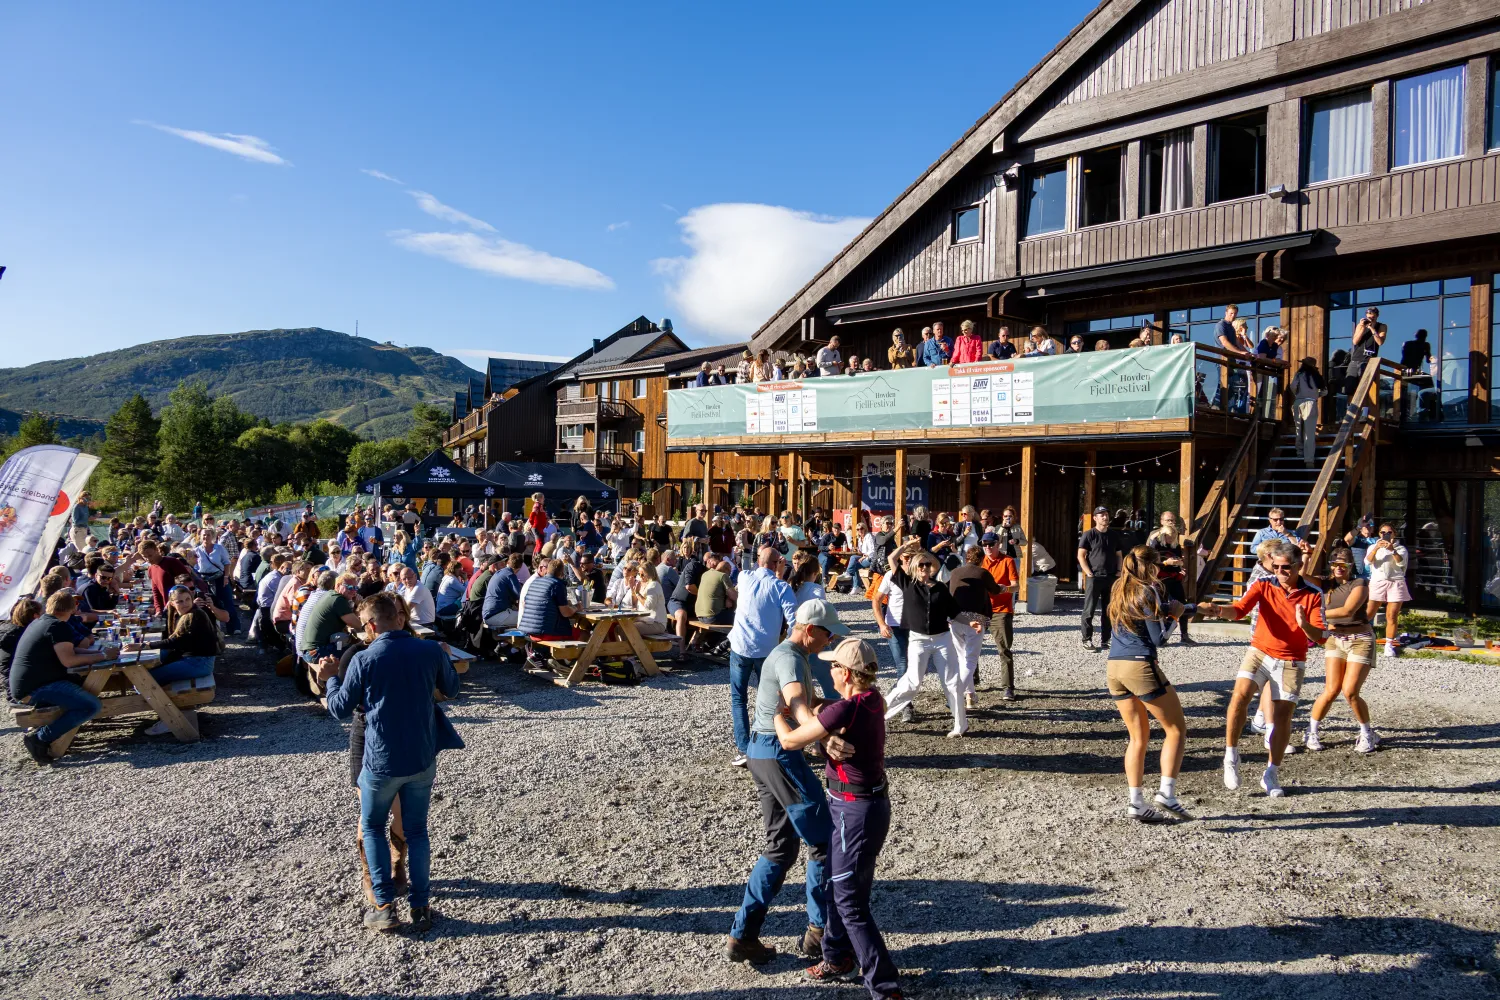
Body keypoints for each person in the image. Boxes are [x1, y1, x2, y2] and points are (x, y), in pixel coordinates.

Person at [319, 591, 461, 933]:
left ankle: (383, 905)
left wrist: (331, 678)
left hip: (381, 759)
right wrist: (445, 659)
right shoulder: (429, 650)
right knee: (416, 830)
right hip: (421, 755)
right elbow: (452, 690)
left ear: (369, 625)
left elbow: (339, 708)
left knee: (372, 827)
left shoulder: (364, 659)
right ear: (398, 617)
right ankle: (421, 905)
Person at [773, 638, 903, 997]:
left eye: (832, 666)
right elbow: (828, 711)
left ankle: (884, 986)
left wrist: (775, 715)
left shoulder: (845, 711)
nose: (826, 670)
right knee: (837, 882)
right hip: (864, 808)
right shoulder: (871, 699)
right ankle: (837, 956)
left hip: (854, 812)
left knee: (850, 901)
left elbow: (789, 741)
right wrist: (823, 733)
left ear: (845, 673)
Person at [726, 599, 848, 966]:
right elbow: (796, 703)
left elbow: (802, 700)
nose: (829, 642)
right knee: (824, 840)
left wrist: (840, 707)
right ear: (810, 629)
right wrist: (822, 734)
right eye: (827, 635)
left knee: (779, 847)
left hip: (759, 753)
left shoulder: (788, 655)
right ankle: (819, 932)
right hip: (778, 753)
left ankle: (742, 935)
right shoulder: (791, 658)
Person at [1199, 540, 1327, 797]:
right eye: (1276, 567)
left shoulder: (1313, 593)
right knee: (1239, 697)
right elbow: (1238, 610)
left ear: (1299, 566)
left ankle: (1271, 772)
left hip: (1292, 658)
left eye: (1286, 567)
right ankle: (1231, 756)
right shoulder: (1264, 584)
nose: (1280, 572)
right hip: (1259, 651)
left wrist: (1304, 624)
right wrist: (1216, 610)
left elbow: (1321, 637)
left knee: (1282, 718)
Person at [1105, 546, 1191, 822]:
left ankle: (1136, 802)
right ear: (1153, 567)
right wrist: (1175, 616)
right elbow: (1159, 638)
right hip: (1139, 664)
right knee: (1176, 729)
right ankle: (1167, 792)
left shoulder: (1119, 587)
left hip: (1114, 666)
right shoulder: (1148, 590)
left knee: (1137, 737)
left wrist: (1165, 611)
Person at [881, 537, 980, 738]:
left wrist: (970, 622)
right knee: (912, 682)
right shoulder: (906, 583)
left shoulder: (941, 587)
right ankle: (880, 715)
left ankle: (961, 725)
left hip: (943, 639)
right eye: (921, 565)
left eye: (928, 564)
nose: (925, 568)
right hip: (918, 640)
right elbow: (892, 558)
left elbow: (954, 612)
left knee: (952, 682)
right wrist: (906, 547)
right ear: (915, 568)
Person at [11, 591, 118, 764]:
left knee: (86, 687)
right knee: (91, 706)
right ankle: (39, 738)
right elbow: (69, 660)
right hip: (36, 689)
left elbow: (69, 650)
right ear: (74, 609)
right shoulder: (58, 626)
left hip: (27, 685)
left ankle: (46, 736)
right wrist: (104, 656)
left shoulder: (41, 622)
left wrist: (99, 652)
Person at [726, 546, 800, 766]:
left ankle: (744, 748)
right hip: (766, 650)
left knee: (739, 699)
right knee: (769, 699)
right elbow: (794, 620)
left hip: (740, 645)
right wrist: (788, 646)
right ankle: (769, 744)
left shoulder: (745, 576)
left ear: (759, 560)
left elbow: (748, 567)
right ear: (779, 563)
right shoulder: (781, 587)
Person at [1303, 550, 1382, 753]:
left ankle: (1367, 733)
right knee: (1330, 690)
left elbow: (1348, 611)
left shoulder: (1360, 584)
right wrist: (1305, 556)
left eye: (1343, 564)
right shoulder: (1325, 584)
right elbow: (1302, 576)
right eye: (1335, 564)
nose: (1339, 568)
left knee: (1350, 691)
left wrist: (1315, 615)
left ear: (1350, 566)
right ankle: (1312, 730)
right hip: (1335, 639)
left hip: (1360, 640)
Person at [127, 584, 223, 735]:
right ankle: (170, 712)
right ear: (172, 603)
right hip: (196, 660)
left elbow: (175, 642)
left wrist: (143, 645)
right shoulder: (184, 615)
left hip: (199, 663)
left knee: (145, 681)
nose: (184, 604)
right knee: (147, 676)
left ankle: (170, 718)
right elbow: (175, 643)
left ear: (192, 600)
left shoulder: (194, 616)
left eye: (187, 600)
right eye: (179, 601)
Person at [947, 546, 1002, 711]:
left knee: (962, 658)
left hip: (955, 618)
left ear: (966, 558)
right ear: (981, 560)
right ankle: (955, 694)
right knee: (970, 660)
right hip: (976, 619)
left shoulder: (955, 572)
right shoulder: (983, 573)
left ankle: (970, 695)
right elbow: (996, 590)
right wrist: (1006, 588)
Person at [979, 532, 1020, 700]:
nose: (987, 547)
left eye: (990, 544)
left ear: (998, 544)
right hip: (981, 609)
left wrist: (1006, 588)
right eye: (984, 544)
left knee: (1003, 649)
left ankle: (1008, 687)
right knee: (971, 647)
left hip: (1001, 610)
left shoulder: (1008, 561)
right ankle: (972, 681)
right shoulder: (980, 561)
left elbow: (1016, 586)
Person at [1078, 507, 1122, 651]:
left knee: (1109, 610)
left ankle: (1106, 640)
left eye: (1106, 514)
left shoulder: (1114, 535)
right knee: (1089, 610)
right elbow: (1081, 555)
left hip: (1111, 577)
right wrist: (1088, 573)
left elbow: (1119, 555)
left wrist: (1119, 571)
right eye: (1101, 515)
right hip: (1094, 577)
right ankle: (1087, 639)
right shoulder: (1089, 535)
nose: (1105, 517)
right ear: (1095, 518)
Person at [1146, 513, 1194, 644]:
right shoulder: (1154, 539)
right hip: (1160, 578)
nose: (1171, 522)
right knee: (1160, 607)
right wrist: (1166, 563)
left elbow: (1179, 558)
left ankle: (1184, 634)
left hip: (1174, 577)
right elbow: (1150, 562)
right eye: (1168, 520)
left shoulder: (1175, 543)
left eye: (1173, 520)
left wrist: (1180, 567)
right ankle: (1160, 634)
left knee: (1181, 603)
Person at [1365, 522, 1410, 658]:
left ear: (1394, 534)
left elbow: (1401, 562)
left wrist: (1392, 550)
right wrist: (1376, 549)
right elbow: (1367, 562)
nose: (1386, 535)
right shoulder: (1373, 546)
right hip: (1378, 581)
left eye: (1389, 532)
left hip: (1395, 582)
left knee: (1392, 615)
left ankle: (1389, 644)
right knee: (1368, 613)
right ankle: (1359, 637)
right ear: (1379, 534)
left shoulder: (1400, 548)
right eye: (1383, 532)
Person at [1291, 357, 1326, 468]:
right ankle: (1309, 460)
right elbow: (1325, 391)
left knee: (1298, 429)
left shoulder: (1299, 375)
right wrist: (1316, 396)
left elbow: (1292, 386)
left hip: (1298, 402)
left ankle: (1299, 453)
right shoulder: (1317, 377)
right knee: (1309, 433)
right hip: (1311, 403)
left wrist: (1297, 394)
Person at [694, 552, 737, 626]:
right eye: (729, 572)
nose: (730, 575)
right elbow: (734, 596)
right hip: (712, 617)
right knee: (740, 618)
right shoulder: (723, 576)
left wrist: (727, 598)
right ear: (727, 570)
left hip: (699, 615)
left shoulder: (705, 574)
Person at [1351, 306, 1387, 376]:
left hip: (1370, 361)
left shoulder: (1382, 326)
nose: (1371, 320)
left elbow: (1380, 342)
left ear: (1377, 316)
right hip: (1356, 359)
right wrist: (1363, 328)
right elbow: (1355, 342)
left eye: (1373, 318)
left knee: (1365, 383)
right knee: (1350, 383)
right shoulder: (1361, 326)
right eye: (1369, 318)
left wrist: (1372, 328)